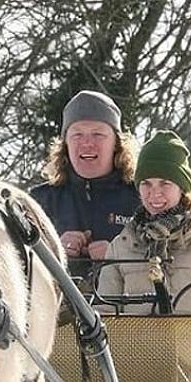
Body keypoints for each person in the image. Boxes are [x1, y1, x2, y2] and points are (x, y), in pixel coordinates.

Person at [98, 129, 191, 346]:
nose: (154, 193)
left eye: (165, 183)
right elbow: (104, 319)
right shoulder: (122, 246)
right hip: (135, 372)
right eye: (146, 184)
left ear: (183, 187)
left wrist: (184, 359)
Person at [30, 90, 140, 278]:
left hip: (124, 305)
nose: (87, 143)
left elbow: (166, 259)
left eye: (98, 134)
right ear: (65, 143)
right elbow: (18, 263)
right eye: (77, 134)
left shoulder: (142, 198)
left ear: (116, 143)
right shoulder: (39, 200)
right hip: (57, 305)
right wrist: (53, 248)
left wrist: (118, 255)